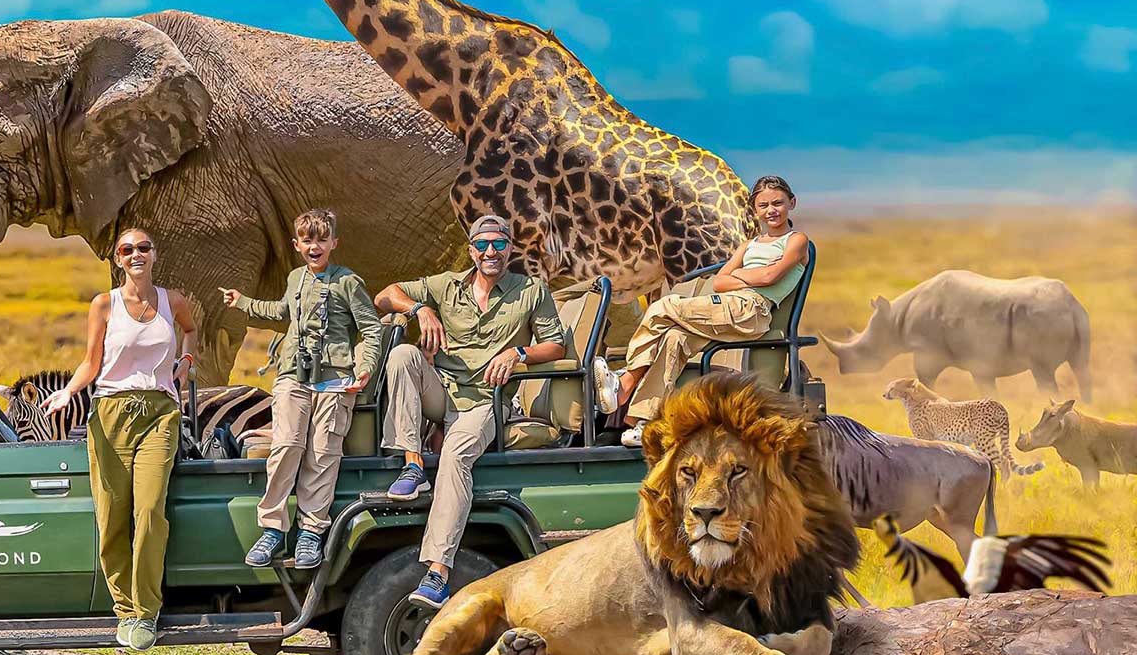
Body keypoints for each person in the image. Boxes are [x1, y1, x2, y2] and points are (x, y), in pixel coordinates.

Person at [373, 214, 566, 608]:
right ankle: (412, 464)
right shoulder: (445, 285)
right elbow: (384, 295)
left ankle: (437, 573)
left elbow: (557, 346)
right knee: (404, 355)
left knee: (456, 455)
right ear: (471, 250)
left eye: (498, 244)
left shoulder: (531, 290)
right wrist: (418, 311)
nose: (490, 252)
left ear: (511, 248)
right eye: (482, 245)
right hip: (442, 390)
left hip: (486, 399)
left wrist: (518, 353)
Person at [42, 228, 198, 651]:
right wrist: (68, 392)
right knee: (112, 515)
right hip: (110, 413)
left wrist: (185, 360)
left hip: (160, 414)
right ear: (117, 259)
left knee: (149, 511)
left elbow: (191, 330)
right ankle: (123, 609)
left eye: (143, 247)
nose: (136, 255)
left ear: (155, 254)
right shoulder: (104, 304)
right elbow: (91, 363)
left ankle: (146, 613)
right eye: (127, 250)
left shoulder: (173, 300)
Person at [220, 208, 381, 571]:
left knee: (323, 454)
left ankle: (311, 531)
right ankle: (273, 528)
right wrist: (243, 301)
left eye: (322, 240)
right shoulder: (295, 278)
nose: (315, 246)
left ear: (334, 243)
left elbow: (370, 329)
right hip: (293, 373)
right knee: (287, 445)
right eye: (307, 240)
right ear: (297, 244)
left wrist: (365, 367)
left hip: (337, 378)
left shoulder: (348, 283)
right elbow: (280, 311)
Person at [610, 175, 810, 445]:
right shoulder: (748, 246)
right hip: (729, 309)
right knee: (673, 339)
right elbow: (719, 282)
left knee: (663, 307)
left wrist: (742, 276)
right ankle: (644, 421)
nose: (771, 210)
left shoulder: (796, 240)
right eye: (763, 205)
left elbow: (770, 278)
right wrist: (750, 275)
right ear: (755, 210)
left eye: (778, 203)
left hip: (751, 311)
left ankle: (627, 381)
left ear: (792, 203)